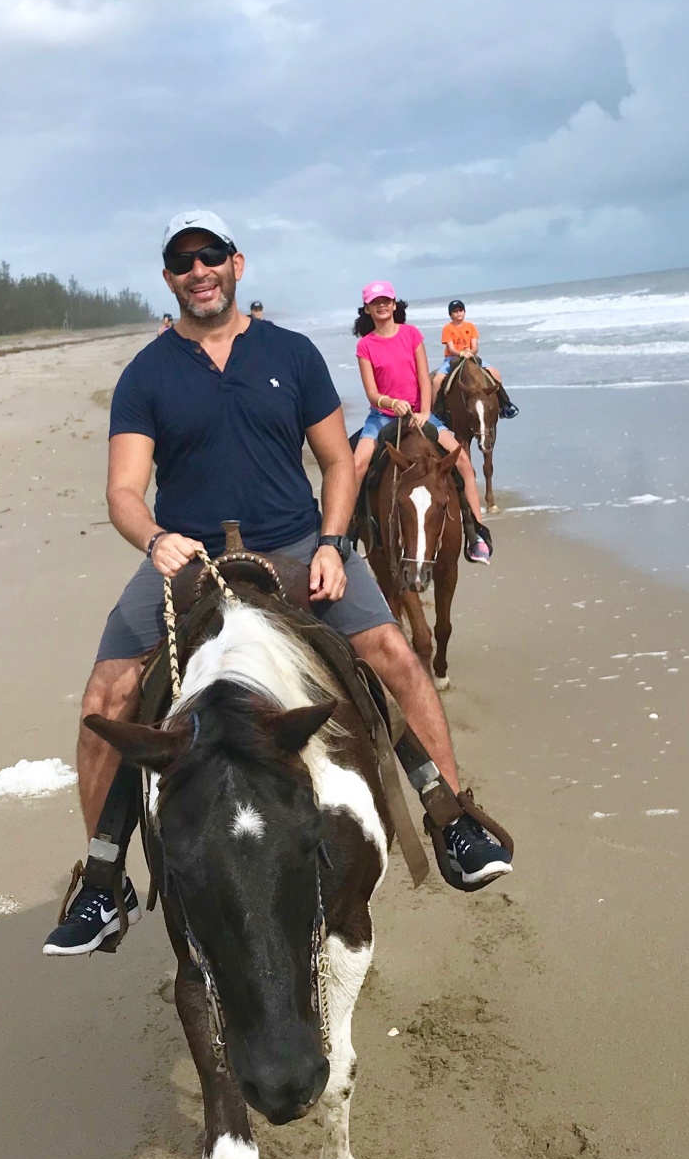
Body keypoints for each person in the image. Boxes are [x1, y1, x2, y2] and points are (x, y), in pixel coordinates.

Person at [44, 213, 515, 956]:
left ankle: (452, 819)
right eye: (182, 260)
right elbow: (124, 492)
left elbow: (334, 463)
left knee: (393, 652)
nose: (198, 270)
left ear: (237, 265)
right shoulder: (146, 374)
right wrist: (155, 538)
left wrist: (333, 543)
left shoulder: (290, 356)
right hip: (189, 554)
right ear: (169, 277)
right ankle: (104, 884)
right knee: (106, 693)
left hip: (296, 541)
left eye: (211, 257)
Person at [350, 282, 493, 564]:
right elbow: (372, 393)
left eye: (386, 301)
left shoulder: (411, 334)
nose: (382, 305)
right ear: (367, 308)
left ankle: (476, 533)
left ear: (394, 305)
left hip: (420, 414)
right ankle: (348, 532)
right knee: (357, 465)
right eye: (375, 302)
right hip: (383, 417)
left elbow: (422, 378)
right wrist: (392, 404)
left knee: (463, 462)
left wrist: (426, 411)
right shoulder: (365, 345)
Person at [436, 300, 518, 420]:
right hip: (452, 358)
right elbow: (451, 348)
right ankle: (438, 412)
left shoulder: (470, 326)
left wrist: (470, 353)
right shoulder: (447, 328)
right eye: (455, 311)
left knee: (494, 372)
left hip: (470, 356)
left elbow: (475, 346)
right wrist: (461, 353)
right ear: (450, 315)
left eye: (460, 310)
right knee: (437, 381)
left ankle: (504, 405)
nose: (458, 313)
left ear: (464, 312)